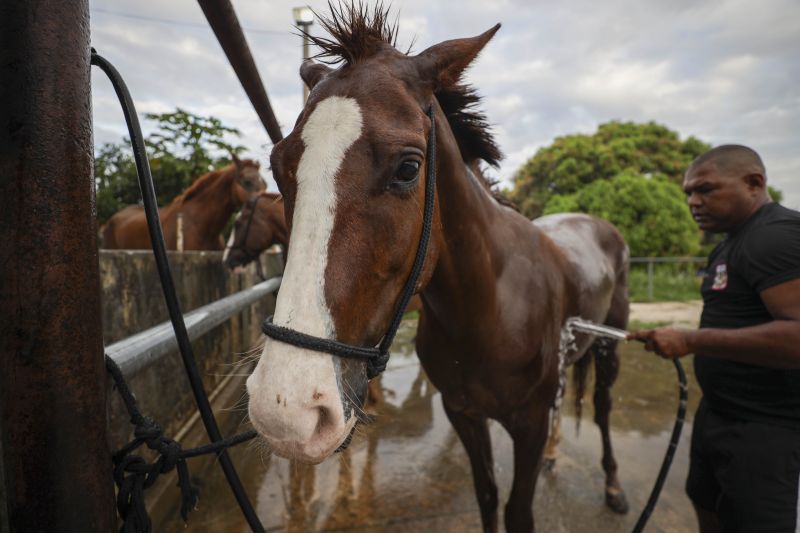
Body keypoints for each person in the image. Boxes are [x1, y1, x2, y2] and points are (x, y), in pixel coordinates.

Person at [629, 145, 800, 533]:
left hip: (769, 428)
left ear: (754, 183)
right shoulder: (729, 243)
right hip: (720, 413)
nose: (693, 201)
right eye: (688, 192)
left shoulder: (773, 239)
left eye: (706, 189)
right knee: (707, 502)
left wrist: (692, 341)